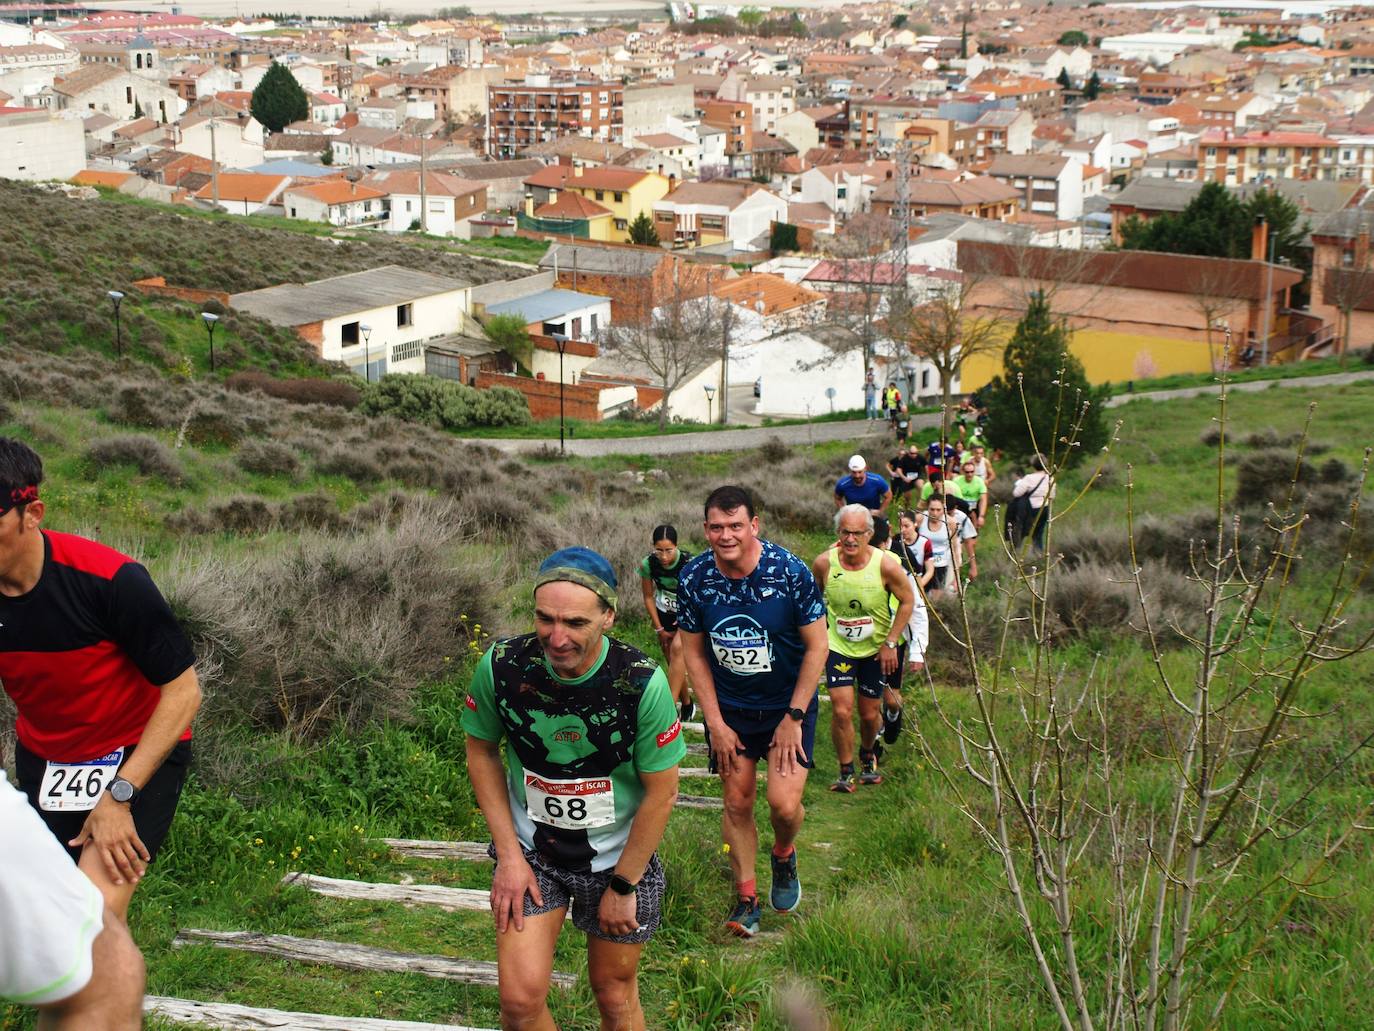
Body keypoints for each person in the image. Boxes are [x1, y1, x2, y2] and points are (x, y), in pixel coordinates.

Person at [462, 546, 685, 1031]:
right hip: (533, 853)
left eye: (575, 623)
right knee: (519, 1005)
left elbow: (662, 792)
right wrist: (508, 857)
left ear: (608, 616)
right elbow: (480, 750)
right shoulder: (502, 666)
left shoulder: (640, 683)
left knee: (614, 993)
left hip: (618, 861)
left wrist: (624, 885)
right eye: (545, 619)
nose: (556, 638)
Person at [0, 438, 201, 924]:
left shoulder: (111, 580)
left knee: (92, 915)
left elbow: (184, 692)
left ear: (32, 513)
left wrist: (120, 794)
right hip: (46, 758)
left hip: (134, 753)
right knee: (40, 917)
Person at [676, 486, 828, 938]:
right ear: (706, 529)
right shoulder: (695, 578)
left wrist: (794, 718)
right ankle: (747, 899)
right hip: (733, 711)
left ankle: (784, 853)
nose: (726, 535)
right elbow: (694, 654)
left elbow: (818, 645)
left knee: (783, 805)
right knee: (737, 801)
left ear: (753, 525)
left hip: (787, 706)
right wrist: (714, 723)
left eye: (736, 525)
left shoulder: (789, 572)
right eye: (717, 527)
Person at [1, 778, 147, 1031]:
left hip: (123, 767)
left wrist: (119, 795)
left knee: (95, 936)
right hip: (46, 763)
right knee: (109, 971)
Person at [812, 506, 914, 793]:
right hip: (839, 648)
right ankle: (845, 771)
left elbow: (907, 601)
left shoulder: (885, 565)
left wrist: (891, 642)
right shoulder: (824, 564)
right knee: (842, 711)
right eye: (845, 532)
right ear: (837, 533)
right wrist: (816, 638)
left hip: (874, 650)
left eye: (858, 533)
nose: (851, 539)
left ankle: (868, 755)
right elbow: (811, 601)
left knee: (869, 714)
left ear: (869, 534)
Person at [879, 515, 934, 746]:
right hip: (864, 640)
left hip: (895, 638)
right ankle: (870, 749)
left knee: (891, 698)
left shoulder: (903, 558)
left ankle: (893, 716)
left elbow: (917, 606)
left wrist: (917, 651)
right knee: (869, 700)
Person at [638, 525, 694, 722]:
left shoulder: (689, 563)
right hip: (664, 615)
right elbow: (647, 597)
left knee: (679, 649)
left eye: (668, 550)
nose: (663, 556)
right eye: (659, 550)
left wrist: (683, 620)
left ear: (676, 546)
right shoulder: (648, 564)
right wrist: (659, 628)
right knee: (673, 663)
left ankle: (668, 710)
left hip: (686, 614)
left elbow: (695, 596)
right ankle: (687, 703)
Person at [912, 494, 962, 597]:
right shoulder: (920, 519)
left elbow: (955, 548)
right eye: (932, 509)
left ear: (944, 509)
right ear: (927, 508)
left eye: (938, 510)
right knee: (921, 594)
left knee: (937, 596)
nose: (935, 513)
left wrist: (957, 575)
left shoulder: (950, 522)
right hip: (922, 563)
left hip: (941, 564)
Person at [949, 460, 989, 582]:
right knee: (958, 542)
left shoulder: (979, 482)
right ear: (963, 472)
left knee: (971, 540)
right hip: (959, 509)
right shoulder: (957, 482)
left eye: (972, 472)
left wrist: (981, 516)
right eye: (967, 472)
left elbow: (983, 499)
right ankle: (958, 564)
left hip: (973, 510)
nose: (970, 474)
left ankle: (969, 560)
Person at [1013, 455, 1056, 553]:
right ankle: (1038, 555)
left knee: (1023, 532)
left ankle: (1018, 554)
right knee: (1038, 534)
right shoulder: (1050, 478)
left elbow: (1016, 493)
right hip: (1045, 508)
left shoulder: (1029, 478)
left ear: (1033, 465)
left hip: (1030, 509)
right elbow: (1052, 496)